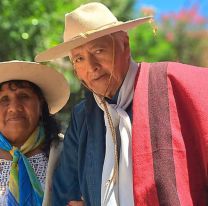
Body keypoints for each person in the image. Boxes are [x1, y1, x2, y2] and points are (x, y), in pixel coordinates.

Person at [35, 2, 208, 206]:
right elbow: (66, 193)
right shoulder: (82, 116)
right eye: (79, 59)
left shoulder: (174, 85)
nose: (92, 67)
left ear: (124, 44)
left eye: (98, 51)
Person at [0, 60, 70, 206]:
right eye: (3, 99)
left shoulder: (68, 153)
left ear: (41, 104)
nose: (14, 107)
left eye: (24, 96)